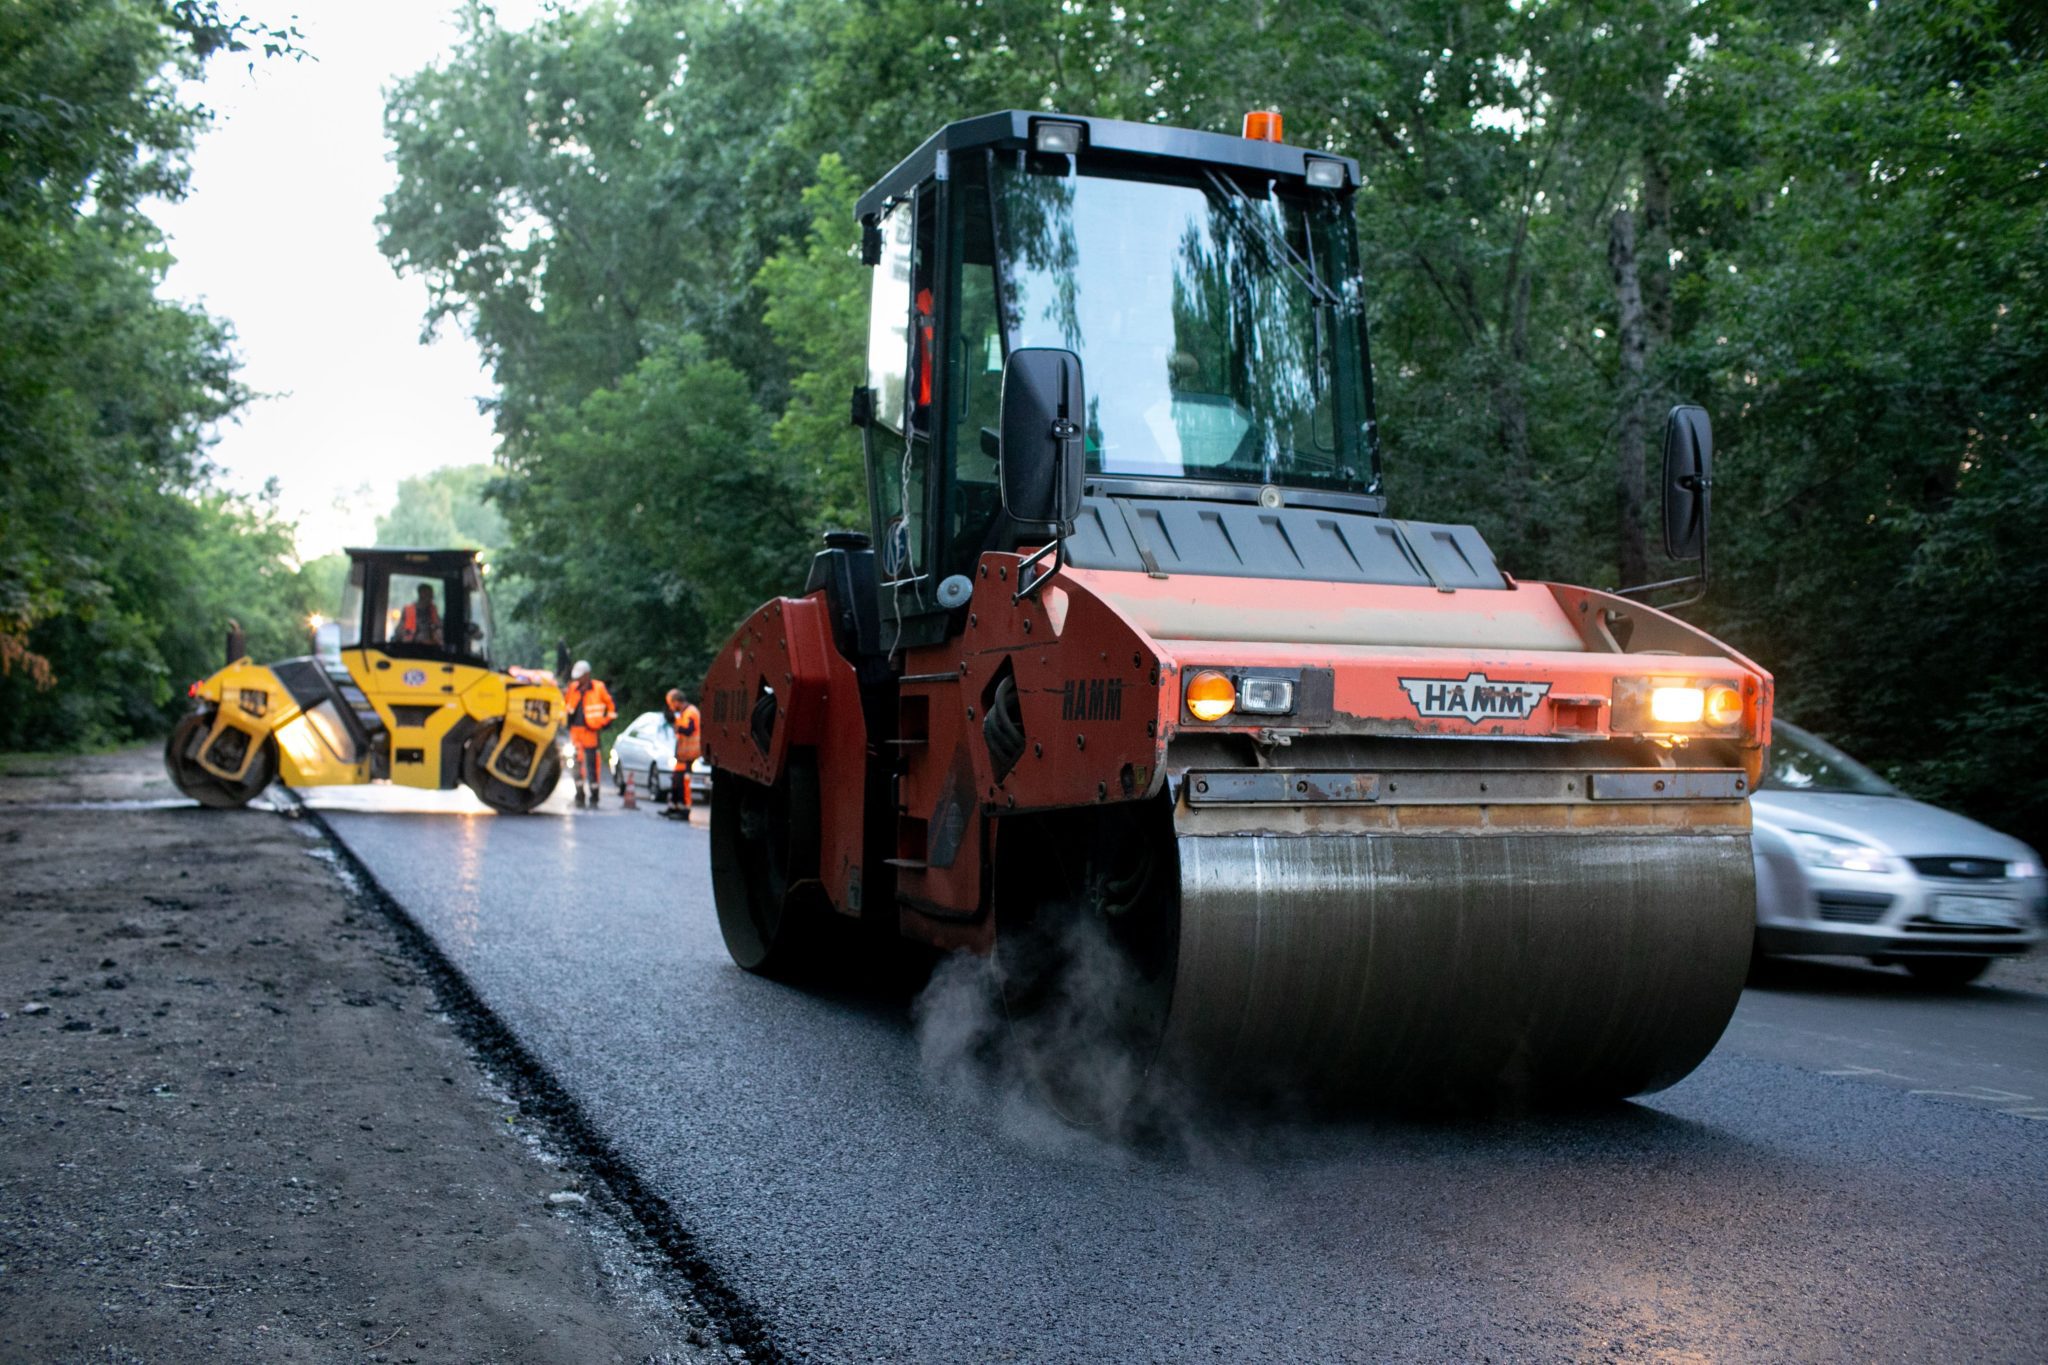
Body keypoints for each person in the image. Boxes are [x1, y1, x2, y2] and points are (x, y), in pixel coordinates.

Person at [562, 660, 616, 808]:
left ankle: (594, 797)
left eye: (580, 676)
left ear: (587, 675)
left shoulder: (598, 688)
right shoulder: (573, 688)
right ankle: (579, 795)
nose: (578, 680)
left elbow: (611, 706)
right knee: (574, 764)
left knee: (592, 765)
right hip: (575, 732)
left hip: (591, 732)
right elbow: (566, 706)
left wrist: (606, 722)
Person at [661, 688, 702, 821]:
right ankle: (674, 806)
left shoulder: (691, 712)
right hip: (682, 755)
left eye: (671, 704)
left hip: (689, 755)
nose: (671, 708)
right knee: (676, 780)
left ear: (677, 702)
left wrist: (675, 724)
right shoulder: (683, 713)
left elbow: (689, 730)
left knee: (684, 782)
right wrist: (674, 721)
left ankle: (685, 810)